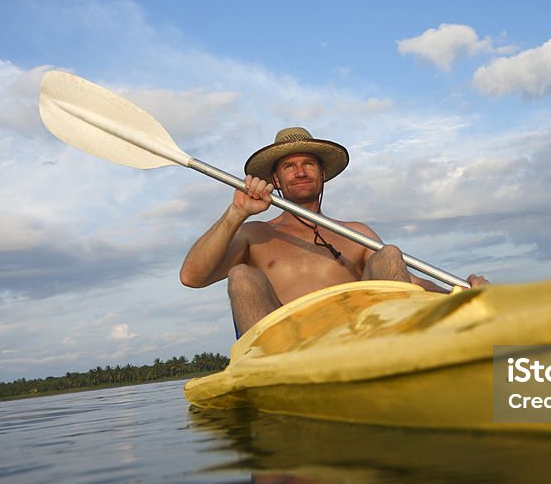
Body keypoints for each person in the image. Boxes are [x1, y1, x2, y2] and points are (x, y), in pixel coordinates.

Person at [180, 127, 488, 335]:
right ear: (275, 178)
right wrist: (236, 214)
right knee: (242, 275)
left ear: (322, 173)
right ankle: (270, 379)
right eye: (289, 166)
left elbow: (408, 280)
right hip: (282, 344)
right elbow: (192, 277)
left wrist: (459, 293)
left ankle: (402, 355)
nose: (300, 172)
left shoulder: (356, 232)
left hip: (356, 336)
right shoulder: (254, 233)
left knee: (390, 254)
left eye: (308, 164)